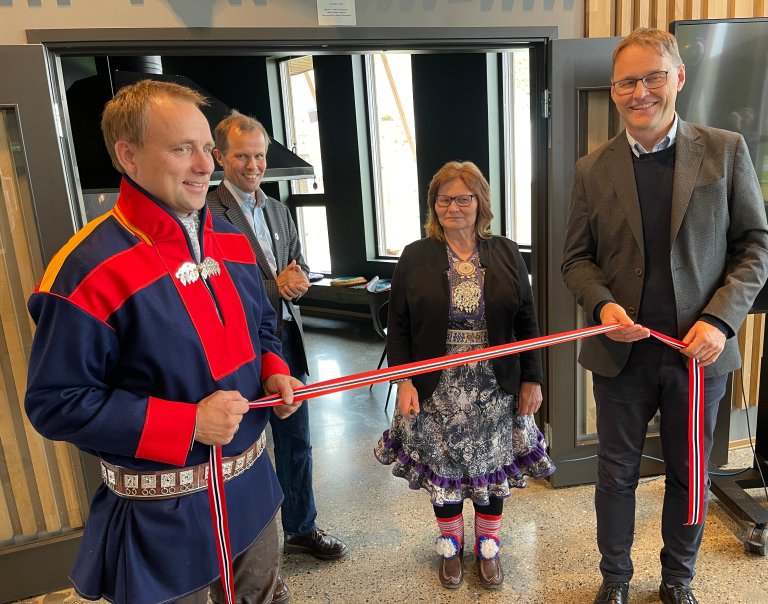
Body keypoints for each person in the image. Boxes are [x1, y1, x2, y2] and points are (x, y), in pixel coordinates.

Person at [24, 80, 305, 604]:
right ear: (128, 156)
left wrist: (272, 369)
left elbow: (263, 325)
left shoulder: (233, 241)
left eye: (206, 149)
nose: (205, 166)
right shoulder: (85, 270)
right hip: (163, 520)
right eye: (182, 149)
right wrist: (187, 423)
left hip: (253, 494)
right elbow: (55, 403)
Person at [561, 28, 768, 604]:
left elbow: (755, 247)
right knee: (616, 475)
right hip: (620, 355)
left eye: (653, 76)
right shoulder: (591, 168)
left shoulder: (725, 150)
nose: (640, 91)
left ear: (678, 77)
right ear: (614, 89)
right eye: (627, 81)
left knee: (690, 475)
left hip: (698, 358)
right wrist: (603, 305)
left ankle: (678, 578)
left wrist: (721, 321)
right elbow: (576, 258)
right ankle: (616, 580)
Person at [375, 160, 555, 590]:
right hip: (437, 387)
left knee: (492, 465)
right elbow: (397, 327)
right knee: (446, 470)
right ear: (433, 205)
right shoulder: (415, 255)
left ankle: (489, 547)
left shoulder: (508, 252)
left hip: (496, 385)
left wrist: (534, 378)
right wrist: (403, 381)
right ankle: (451, 547)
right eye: (444, 199)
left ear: (481, 203)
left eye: (463, 198)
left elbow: (528, 322)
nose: (453, 207)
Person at [207, 111, 349, 598]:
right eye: (243, 155)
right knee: (247, 453)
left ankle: (302, 528)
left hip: (288, 343)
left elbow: (298, 266)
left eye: (260, 155)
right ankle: (251, 553)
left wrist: (300, 279)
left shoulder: (277, 210)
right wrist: (276, 286)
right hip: (238, 353)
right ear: (220, 156)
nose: (253, 165)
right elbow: (218, 292)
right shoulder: (207, 214)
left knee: (298, 443)